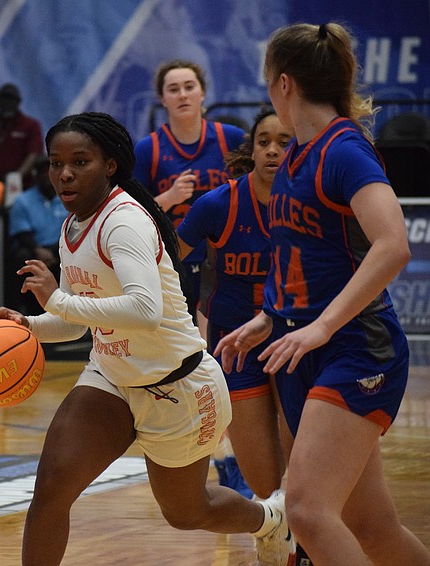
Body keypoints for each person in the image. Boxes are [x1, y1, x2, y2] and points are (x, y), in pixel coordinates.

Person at [0, 112, 292, 566]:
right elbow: (80, 322)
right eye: (55, 162)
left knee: (186, 512)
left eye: (79, 161)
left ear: (110, 165)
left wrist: (58, 301)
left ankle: (270, 520)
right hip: (112, 375)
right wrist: (28, 327)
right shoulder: (72, 227)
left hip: (178, 385)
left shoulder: (123, 223)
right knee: (51, 488)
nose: (64, 173)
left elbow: (145, 311)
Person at [215, 23, 430, 565]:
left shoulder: (345, 150)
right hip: (304, 347)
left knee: (307, 513)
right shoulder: (295, 157)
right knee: (372, 528)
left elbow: (393, 244)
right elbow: (308, 260)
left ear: (283, 84)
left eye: (268, 83)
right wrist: (272, 317)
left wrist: (323, 325)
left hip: (358, 349)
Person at [133, 60, 249, 497]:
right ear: (162, 99)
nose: (182, 94)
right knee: (189, 370)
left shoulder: (231, 140)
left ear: (203, 92)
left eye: (189, 86)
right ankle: (205, 457)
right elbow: (129, 210)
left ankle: (239, 458)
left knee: (231, 364)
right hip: (173, 269)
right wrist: (169, 197)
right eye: (173, 88)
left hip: (228, 268)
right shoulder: (149, 150)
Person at [176, 108, 293, 500]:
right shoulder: (217, 205)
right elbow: (162, 256)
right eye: (264, 142)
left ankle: (305, 550)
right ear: (253, 149)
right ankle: (279, 543)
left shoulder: (313, 203)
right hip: (234, 344)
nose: (273, 151)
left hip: (294, 341)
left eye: (284, 142)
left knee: (303, 478)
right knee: (263, 483)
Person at [6, 155, 67, 315]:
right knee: (20, 258)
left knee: (75, 255)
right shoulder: (23, 201)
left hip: (60, 247)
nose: (47, 176)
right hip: (33, 247)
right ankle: (14, 312)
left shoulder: (68, 197)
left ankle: (73, 314)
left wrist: (54, 251)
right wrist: (37, 250)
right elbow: (21, 232)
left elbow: (72, 229)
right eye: (42, 172)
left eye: (51, 171)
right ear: (35, 175)